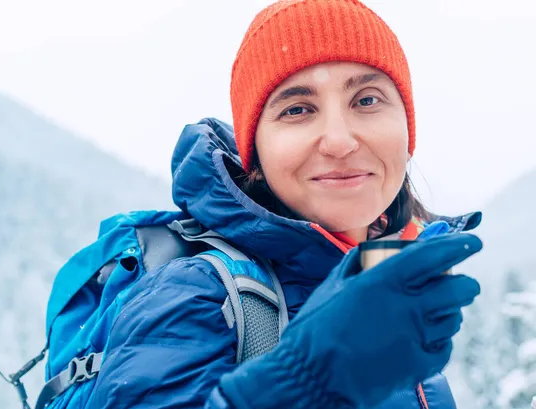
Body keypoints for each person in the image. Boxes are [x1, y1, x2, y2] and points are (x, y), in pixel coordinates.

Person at [88, 0, 483, 408]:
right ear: (255, 153)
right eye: (297, 109)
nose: (340, 141)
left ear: (406, 127)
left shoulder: (389, 283)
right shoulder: (193, 295)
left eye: (366, 100)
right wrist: (301, 381)